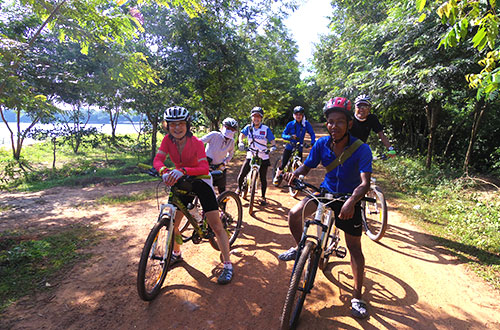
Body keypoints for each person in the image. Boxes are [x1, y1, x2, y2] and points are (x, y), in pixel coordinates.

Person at [278, 97, 372, 319]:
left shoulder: (361, 149)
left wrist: (351, 201)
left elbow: (365, 183)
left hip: (350, 199)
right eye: (330, 121)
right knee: (294, 214)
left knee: (354, 247)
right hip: (326, 193)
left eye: (340, 121)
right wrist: (296, 174)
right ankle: (303, 250)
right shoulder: (321, 144)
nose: (334, 126)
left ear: (350, 124)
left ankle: (358, 296)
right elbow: (307, 165)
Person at [153, 106, 233, 284]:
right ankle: (176, 254)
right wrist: (164, 170)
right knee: (172, 223)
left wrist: (183, 170)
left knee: (216, 226)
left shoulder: (196, 142)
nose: (177, 128)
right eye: (172, 124)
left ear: (187, 125)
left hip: (201, 181)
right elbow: (158, 160)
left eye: (181, 124)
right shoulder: (167, 140)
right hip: (180, 181)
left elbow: (204, 168)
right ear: (167, 126)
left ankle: (228, 265)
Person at [236, 106, 277, 206]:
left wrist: (273, 147)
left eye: (258, 116)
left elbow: (272, 140)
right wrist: (241, 142)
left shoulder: (265, 129)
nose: (256, 118)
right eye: (254, 116)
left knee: (263, 178)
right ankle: (239, 188)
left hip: (263, 155)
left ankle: (263, 197)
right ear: (251, 117)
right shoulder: (248, 128)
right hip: (251, 154)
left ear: (261, 118)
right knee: (241, 175)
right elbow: (241, 135)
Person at [272, 105, 316, 186]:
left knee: (300, 167)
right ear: (294, 115)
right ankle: (277, 176)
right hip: (290, 146)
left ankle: (296, 181)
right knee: (284, 163)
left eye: (300, 114)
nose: (298, 116)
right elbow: (283, 134)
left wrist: (313, 142)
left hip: (299, 147)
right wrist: (290, 137)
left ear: (303, 115)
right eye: (297, 114)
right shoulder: (290, 124)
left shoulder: (306, 124)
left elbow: (312, 134)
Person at [200, 117, 238, 194]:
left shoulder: (232, 142)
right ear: (223, 127)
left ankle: (222, 204)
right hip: (206, 165)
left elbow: (231, 154)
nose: (230, 131)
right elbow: (199, 142)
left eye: (232, 129)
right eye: (228, 128)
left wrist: (225, 162)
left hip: (220, 167)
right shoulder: (214, 135)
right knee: (203, 188)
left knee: (222, 189)